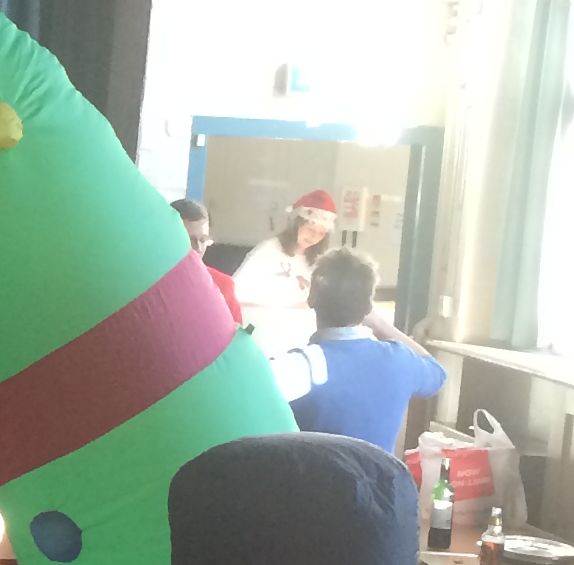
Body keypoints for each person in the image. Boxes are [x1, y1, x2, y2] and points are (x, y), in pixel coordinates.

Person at [270, 248, 449, 457]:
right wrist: (380, 324)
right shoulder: (400, 358)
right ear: (368, 307)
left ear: (311, 298)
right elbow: (437, 372)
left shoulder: (296, 365)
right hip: (381, 478)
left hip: (314, 477)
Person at [231, 187, 339, 354]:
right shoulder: (268, 251)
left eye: (320, 233)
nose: (313, 238)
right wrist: (288, 303)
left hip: (302, 343)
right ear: (296, 224)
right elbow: (235, 293)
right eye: (310, 230)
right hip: (266, 340)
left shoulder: (319, 261)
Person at [173, 197, 242, 324]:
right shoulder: (151, 283)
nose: (198, 248)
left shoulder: (223, 285)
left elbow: (237, 334)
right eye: (190, 240)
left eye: (203, 239)